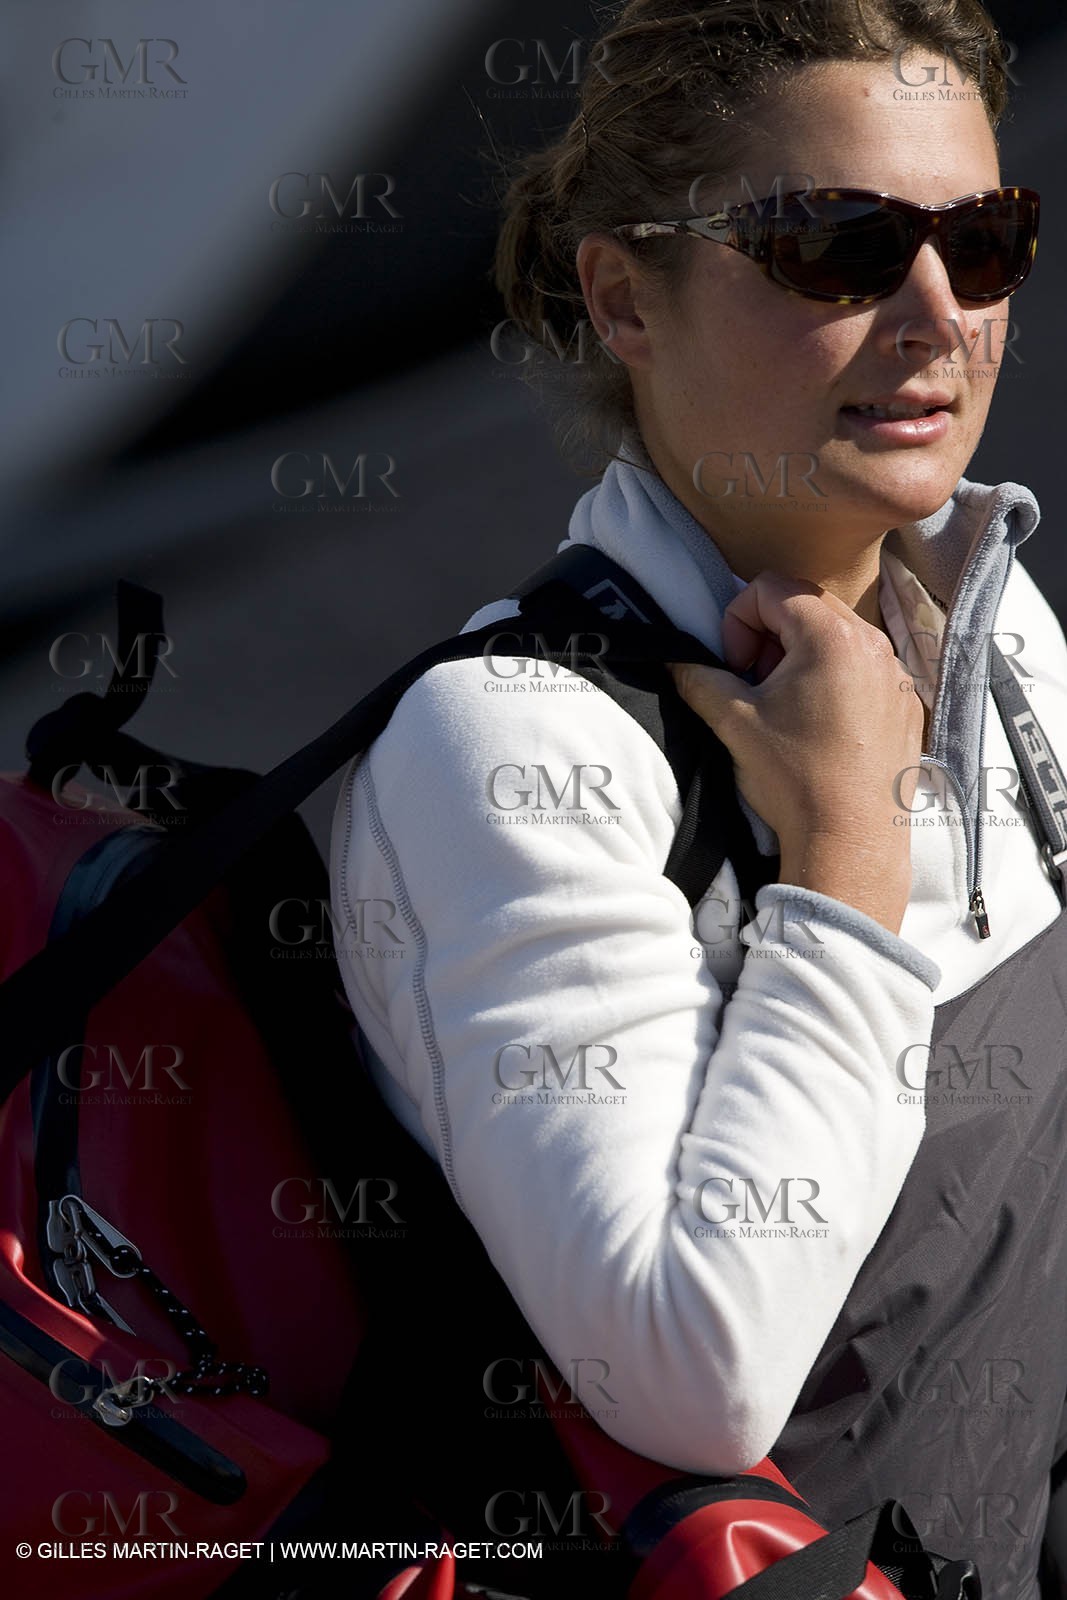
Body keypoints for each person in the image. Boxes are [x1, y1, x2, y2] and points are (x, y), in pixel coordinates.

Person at [330, 3, 1065, 1596]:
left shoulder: (1006, 640)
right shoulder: (517, 757)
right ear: (623, 298)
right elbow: (693, 1371)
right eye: (837, 246)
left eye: (986, 237)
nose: (939, 313)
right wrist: (851, 854)